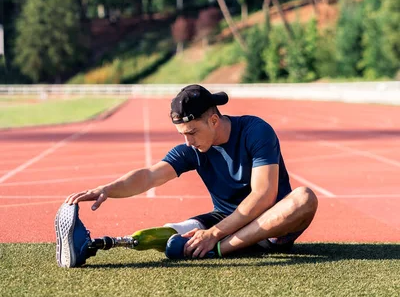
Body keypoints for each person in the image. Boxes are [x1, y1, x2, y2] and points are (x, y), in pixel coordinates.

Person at [55, 84, 318, 267]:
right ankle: (89, 246)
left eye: (192, 132)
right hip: (223, 220)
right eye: (182, 134)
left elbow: (264, 195)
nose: (188, 142)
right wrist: (107, 189)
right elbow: (149, 176)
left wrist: (214, 234)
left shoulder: (255, 131)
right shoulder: (192, 148)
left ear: (213, 121)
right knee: (172, 239)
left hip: (268, 224)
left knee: (304, 198)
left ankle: (217, 251)